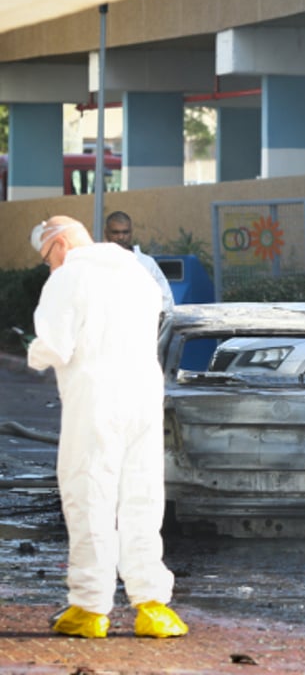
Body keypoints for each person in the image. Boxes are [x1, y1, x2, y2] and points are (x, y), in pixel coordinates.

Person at [27, 216, 187, 639]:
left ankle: (90, 607)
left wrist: (34, 353)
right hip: (144, 396)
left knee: (89, 494)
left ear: (59, 244)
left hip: (96, 399)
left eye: (47, 258)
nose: (49, 267)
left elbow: (56, 346)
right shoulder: (136, 274)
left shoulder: (68, 278)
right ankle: (153, 607)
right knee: (142, 496)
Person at [103, 210, 174, 316]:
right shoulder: (98, 262)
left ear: (131, 233)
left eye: (125, 232)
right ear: (106, 233)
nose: (121, 237)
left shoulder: (146, 263)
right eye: (115, 232)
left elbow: (166, 299)